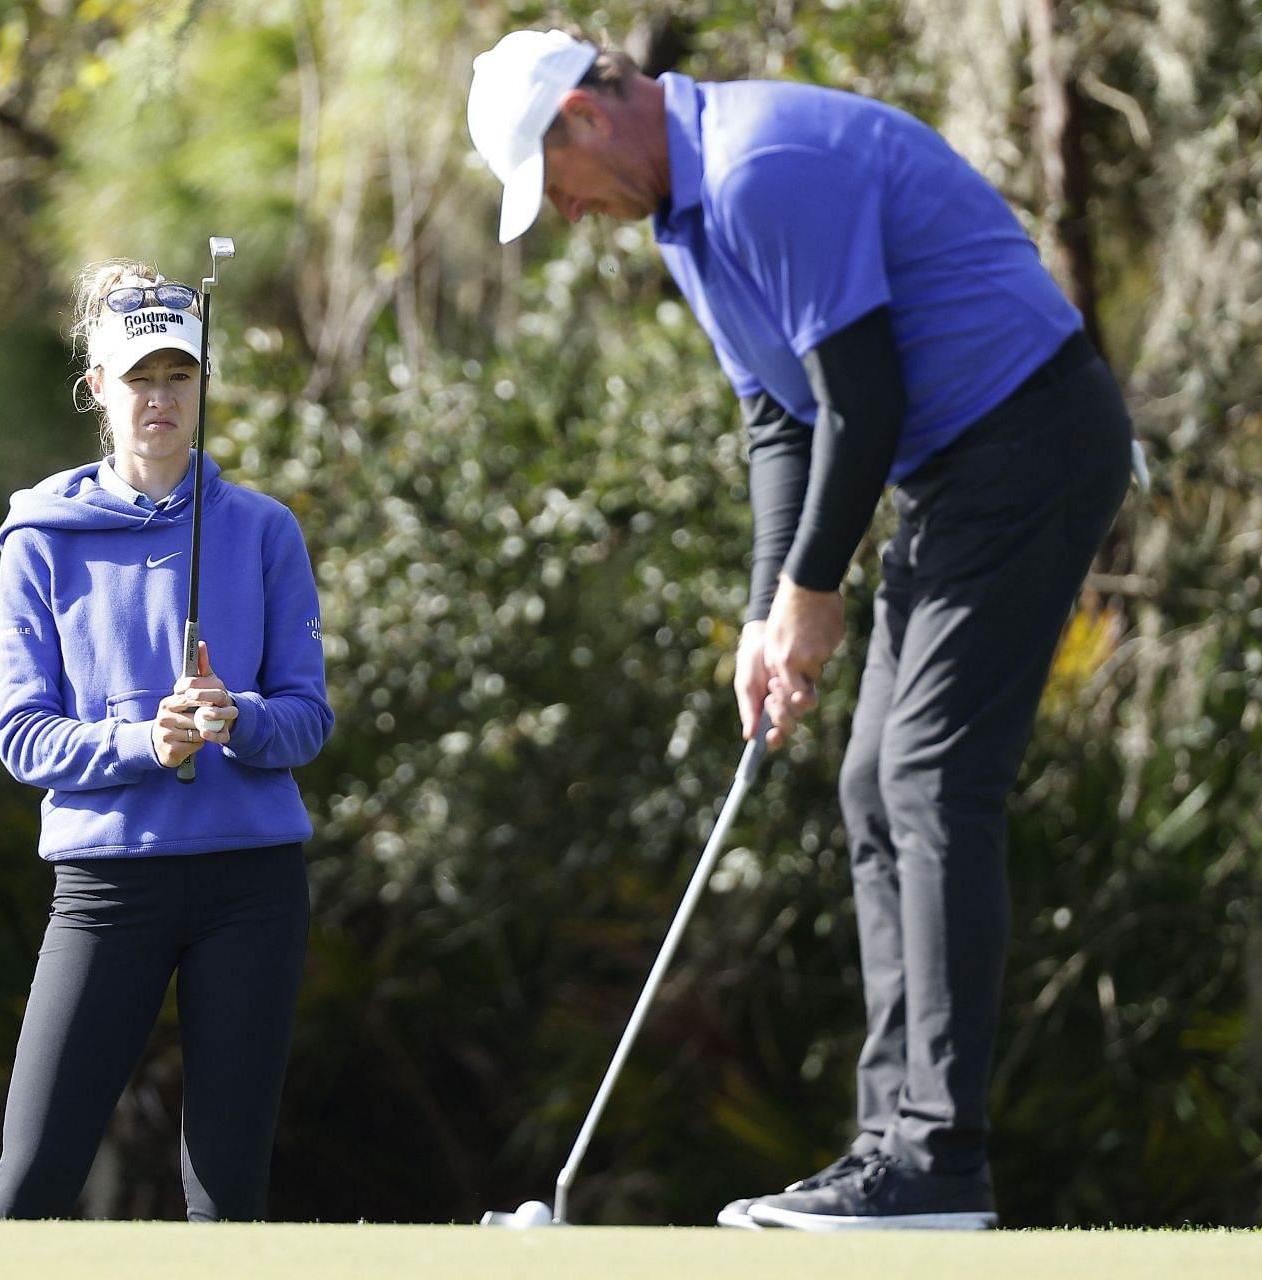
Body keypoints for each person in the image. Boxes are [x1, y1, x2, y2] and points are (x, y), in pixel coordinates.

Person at [467, 31, 1133, 1230]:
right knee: (876, 782)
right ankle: (896, 1145)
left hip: (1029, 440)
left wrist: (817, 589)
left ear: (586, 113)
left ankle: (938, 1157)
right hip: (958, 472)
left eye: (554, 181)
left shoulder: (762, 164)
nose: (567, 214)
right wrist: (768, 606)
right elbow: (781, 420)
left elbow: (860, 395)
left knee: (929, 778)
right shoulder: (687, 220)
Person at [0, 258, 334, 1221]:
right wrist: (146, 743)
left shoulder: (265, 531)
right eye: (139, 377)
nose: (161, 398)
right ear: (99, 387)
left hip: (250, 883)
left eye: (180, 375)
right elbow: (23, 736)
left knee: (229, 1192)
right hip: (107, 887)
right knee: (32, 1176)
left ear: (203, 384)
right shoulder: (40, 538)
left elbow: (307, 717)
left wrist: (239, 719)